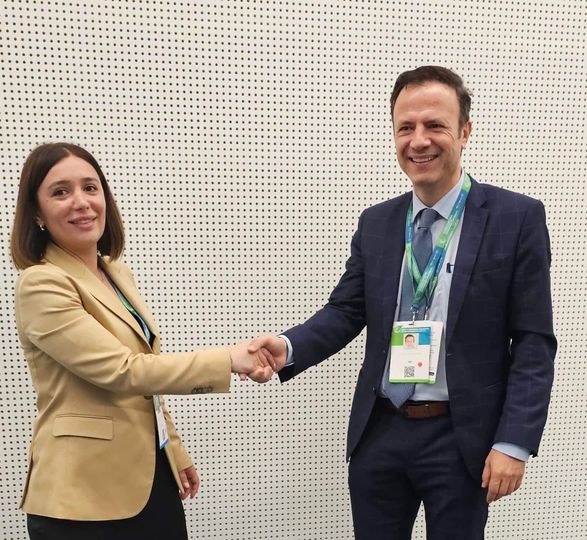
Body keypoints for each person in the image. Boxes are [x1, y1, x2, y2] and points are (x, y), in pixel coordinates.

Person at [248, 66, 556, 539]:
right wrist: (287, 347)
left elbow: (533, 341)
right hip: (381, 431)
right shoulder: (377, 222)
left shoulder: (516, 218)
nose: (419, 141)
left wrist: (514, 443)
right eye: (405, 127)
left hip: (462, 438)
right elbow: (346, 310)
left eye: (435, 125)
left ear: (465, 132)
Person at [10, 142, 273, 540]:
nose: (81, 202)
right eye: (60, 192)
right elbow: (123, 371)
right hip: (82, 496)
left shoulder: (116, 274)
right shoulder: (41, 284)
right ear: (37, 213)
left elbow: (146, 377)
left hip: (149, 477)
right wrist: (229, 360)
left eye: (90, 187)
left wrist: (173, 449)